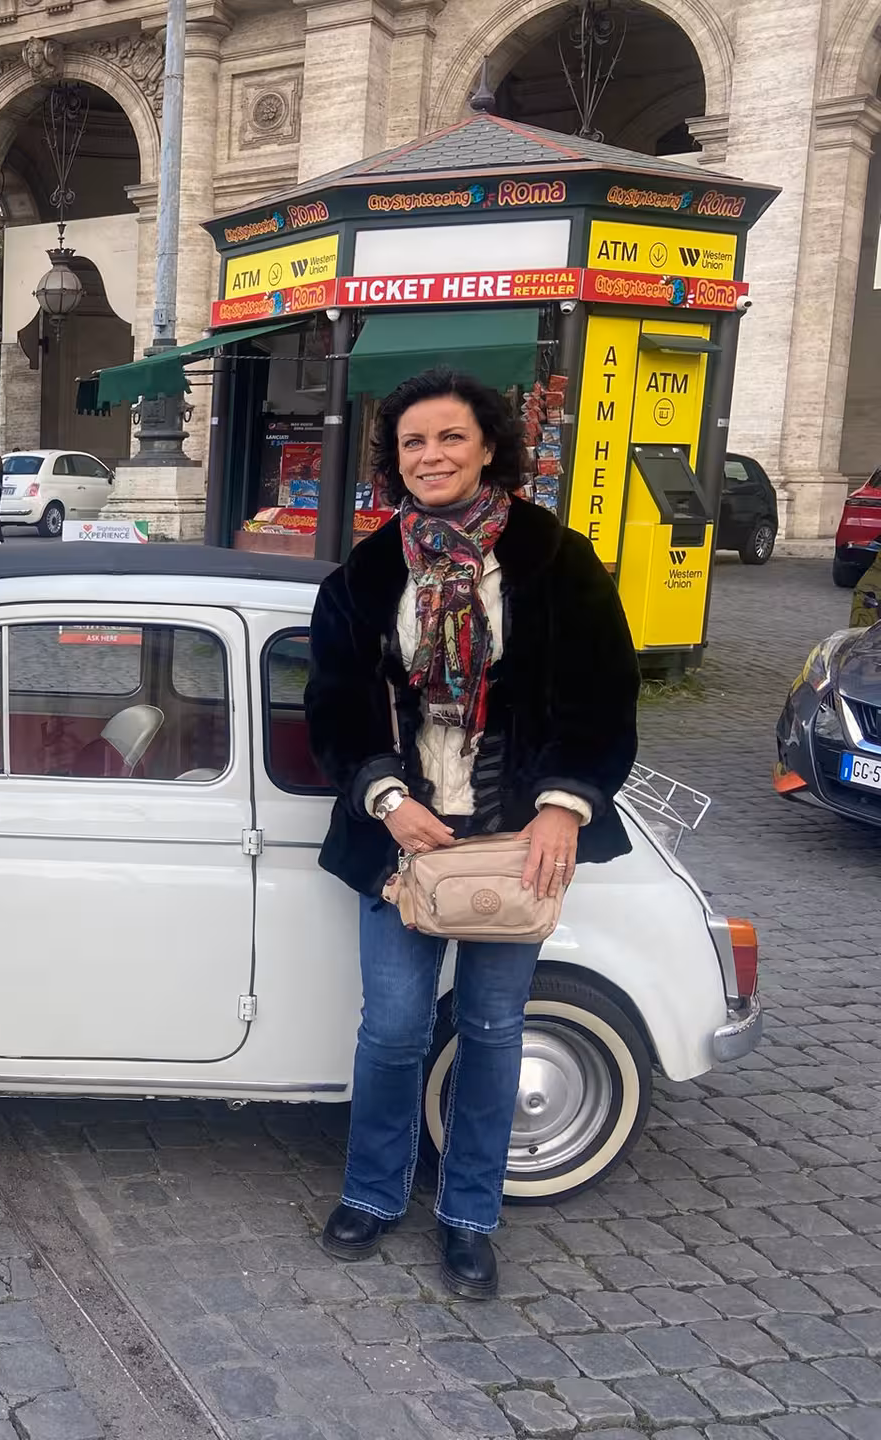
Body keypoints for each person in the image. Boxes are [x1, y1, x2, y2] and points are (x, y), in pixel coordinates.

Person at [303, 368, 638, 1300]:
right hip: (403, 838)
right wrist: (382, 793)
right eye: (414, 443)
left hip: (513, 837)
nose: (432, 456)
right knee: (396, 1029)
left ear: (488, 446)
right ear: (395, 461)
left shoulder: (555, 562)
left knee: (492, 1030)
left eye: (450, 438)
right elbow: (332, 706)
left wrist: (564, 804)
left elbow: (601, 697)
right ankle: (372, 1194)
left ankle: (468, 1219)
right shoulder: (368, 576)